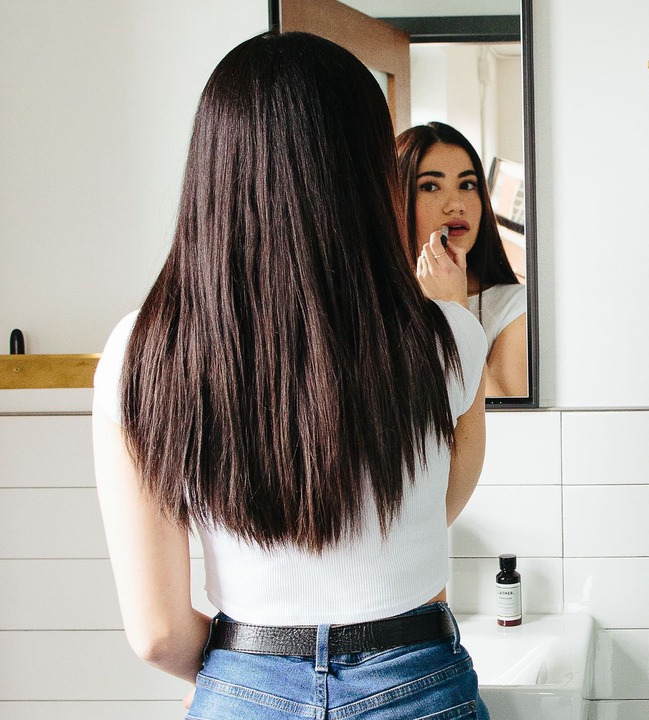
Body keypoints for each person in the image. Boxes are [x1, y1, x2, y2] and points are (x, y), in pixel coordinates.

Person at [91, 32, 490, 720]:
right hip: (417, 680)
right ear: (368, 175)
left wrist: (247, 682)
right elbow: (434, 511)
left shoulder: (139, 352)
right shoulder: (446, 335)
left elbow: (156, 634)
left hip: (244, 685)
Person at [397, 122, 529, 398]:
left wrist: (455, 308)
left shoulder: (515, 307)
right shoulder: (371, 303)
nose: (456, 204)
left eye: (467, 184)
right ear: (397, 199)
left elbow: (509, 418)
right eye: (430, 186)